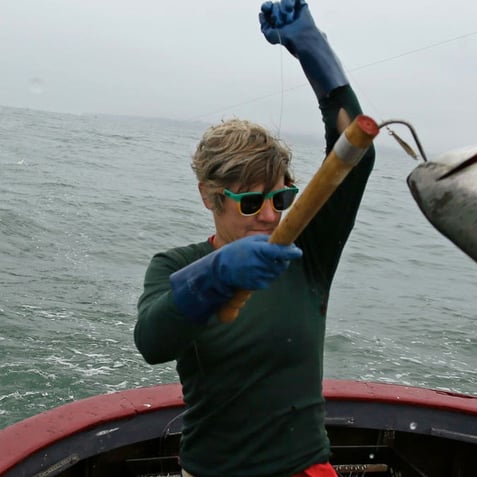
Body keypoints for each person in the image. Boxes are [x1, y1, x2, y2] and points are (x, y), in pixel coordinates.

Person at [134, 1, 375, 475]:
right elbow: (152, 341)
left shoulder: (306, 252)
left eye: (281, 198)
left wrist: (312, 49)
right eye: (250, 203)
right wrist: (216, 274)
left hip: (305, 466)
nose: (269, 216)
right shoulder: (174, 266)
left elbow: (355, 151)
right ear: (210, 197)